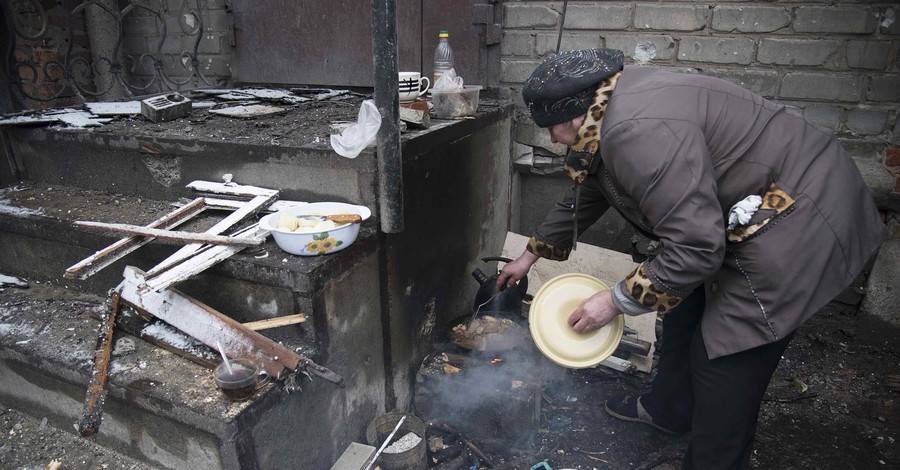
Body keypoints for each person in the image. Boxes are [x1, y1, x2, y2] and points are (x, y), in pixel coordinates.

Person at [497, 48, 885, 469]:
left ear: (574, 113)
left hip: (799, 209)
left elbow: (696, 249)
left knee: (724, 356)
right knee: (684, 308)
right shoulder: (608, 109)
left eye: (550, 128)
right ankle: (670, 411)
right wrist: (529, 255)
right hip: (751, 205)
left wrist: (615, 300)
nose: (551, 140)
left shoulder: (635, 132)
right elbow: (594, 187)